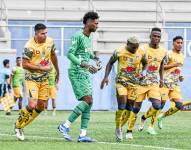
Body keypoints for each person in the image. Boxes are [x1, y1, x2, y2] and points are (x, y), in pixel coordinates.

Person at [58, 11, 100, 142]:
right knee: (87, 100)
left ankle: (82, 135)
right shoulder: (78, 35)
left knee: (90, 102)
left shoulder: (89, 37)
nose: (97, 26)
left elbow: (86, 53)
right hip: (76, 71)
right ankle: (64, 125)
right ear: (88, 22)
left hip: (84, 72)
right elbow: (69, 54)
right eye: (95, 23)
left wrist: (95, 58)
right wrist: (86, 65)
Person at [14, 23, 59, 141]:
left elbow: (53, 55)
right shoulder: (29, 46)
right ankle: (18, 125)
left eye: (46, 33)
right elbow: (24, 64)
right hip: (31, 79)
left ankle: (21, 126)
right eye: (42, 33)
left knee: (41, 106)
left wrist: (57, 71)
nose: (45, 35)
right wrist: (42, 68)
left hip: (45, 79)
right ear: (36, 33)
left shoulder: (50, 41)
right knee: (32, 104)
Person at [100, 36, 145, 142]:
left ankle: (120, 126)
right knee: (122, 105)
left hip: (134, 84)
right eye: (133, 47)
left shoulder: (141, 52)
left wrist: (142, 72)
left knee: (129, 109)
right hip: (121, 82)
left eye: (136, 47)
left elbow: (146, 63)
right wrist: (106, 77)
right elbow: (110, 63)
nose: (135, 50)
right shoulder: (119, 51)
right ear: (127, 44)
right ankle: (118, 128)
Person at [126, 27, 166, 139]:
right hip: (140, 83)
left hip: (153, 83)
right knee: (136, 108)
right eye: (154, 36)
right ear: (150, 36)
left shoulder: (163, 51)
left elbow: (162, 64)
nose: (156, 38)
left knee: (157, 105)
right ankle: (129, 131)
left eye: (158, 36)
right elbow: (134, 61)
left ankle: (144, 117)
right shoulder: (142, 49)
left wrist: (161, 78)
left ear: (160, 38)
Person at [156, 36, 185, 129]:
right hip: (165, 82)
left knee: (179, 105)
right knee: (161, 104)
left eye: (181, 43)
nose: (180, 44)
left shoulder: (182, 56)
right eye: (178, 42)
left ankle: (161, 117)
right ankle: (150, 124)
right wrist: (174, 64)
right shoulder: (168, 54)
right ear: (173, 43)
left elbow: (177, 69)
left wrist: (180, 76)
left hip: (175, 83)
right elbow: (162, 67)